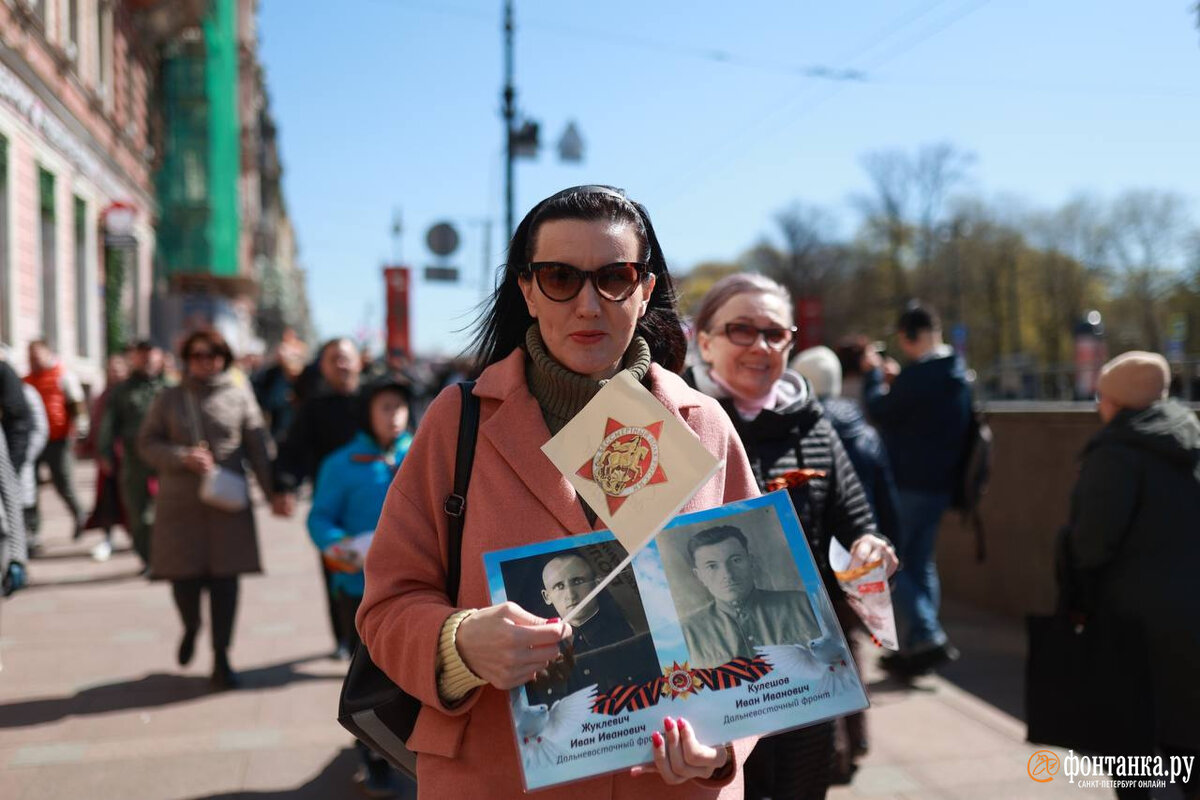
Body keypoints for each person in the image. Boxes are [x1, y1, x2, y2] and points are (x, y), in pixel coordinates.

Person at [357, 185, 761, 798]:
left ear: (646, 288)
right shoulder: (457, 422)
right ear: (526, 289)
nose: (588, 305)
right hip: (498, 777)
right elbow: (387, 607)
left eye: (615, 277)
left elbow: (756, 627)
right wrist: (460, 642)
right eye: (559, 278)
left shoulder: (703, 423)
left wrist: (722, 746)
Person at [685, 273, 897, 799]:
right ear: (704, 340)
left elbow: (858, 524)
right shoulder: (671, 421)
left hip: (804, 670)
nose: (760, 345)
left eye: (774, 333)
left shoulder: (814, 425)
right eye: (741, 330)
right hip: (709, 677)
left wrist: (873, 551)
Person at [1063, 351, 1199, 800]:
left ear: (1117, 402)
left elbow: (1090, 544)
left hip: (1132, 620)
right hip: (1188, 613)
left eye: (1100, 397)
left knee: (1131, 743)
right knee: (1187, 730)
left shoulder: (1115, 454)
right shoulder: (1189, 440)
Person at [138, 330, 276, 689]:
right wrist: (181, 457)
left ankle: (221, 658)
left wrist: (275, 491)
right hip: (180, 508)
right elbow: (147, 443)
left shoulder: (239, 395)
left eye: (213, 354)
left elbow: (259, 447)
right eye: (198, 354)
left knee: (225, 585)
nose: (206, 360)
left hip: (227, 508)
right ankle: (191, 626)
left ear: (224, 358)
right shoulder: (169, 397)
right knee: (183, 581)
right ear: (187, 358)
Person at [307, 377, 412, 797]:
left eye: (401, 407)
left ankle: (402, 748)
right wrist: (338, 547)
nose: (395, 416)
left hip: (417, 587)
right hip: (358, 588)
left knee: (411, 670)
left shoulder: (425, 449)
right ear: (367, 413)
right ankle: (372, 752)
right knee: (369, 675)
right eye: (386, 407)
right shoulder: (340, 463)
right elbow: (319, 518)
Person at [862, 302, 970, 676]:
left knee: (895, 563)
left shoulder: (920, 376)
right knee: (922, 564)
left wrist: (875, 376)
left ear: (910, 337)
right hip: (941, 485)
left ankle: (927, 636)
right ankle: (916, 649)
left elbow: (880, 410)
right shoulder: (956, 373)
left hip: (908, 483)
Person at [272, 336, 363, 658]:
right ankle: (342, 638)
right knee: (337, 571)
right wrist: (284, 486)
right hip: (333, 509)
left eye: (346, 358)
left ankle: (375, 635)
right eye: (333, 359)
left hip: (376, 506)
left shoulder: (376, 400)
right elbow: (293, 450)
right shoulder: (314, 408)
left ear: (359, 362)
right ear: (322, 367)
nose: (341, 365)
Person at [793, 345, 902, 547]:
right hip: (863, 546)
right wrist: (893, 546)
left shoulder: (792, 435)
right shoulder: (865, 433)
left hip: (814, 550)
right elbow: (886, 499)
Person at [525, 551, 661, 705]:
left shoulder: (632, 635)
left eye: (577, 581)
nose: (570, 595)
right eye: (559, 586)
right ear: (546, 596)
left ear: (596, 583)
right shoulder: (539, 653)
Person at [680, 525, 821, 668]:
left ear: (751, 561)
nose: (728, 575)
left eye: (736, 560)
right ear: (699, 576)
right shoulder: (687, 633)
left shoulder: (805, 604)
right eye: (712, 566)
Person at [99, 341, 167, 570]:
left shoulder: (171, 387)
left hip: (168, 456)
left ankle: (166, 555)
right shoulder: (123, 391)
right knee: (138, 511)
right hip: (134, 455)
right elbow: (109, 424)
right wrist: (105, 451)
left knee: (169, 508)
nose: (146, 359)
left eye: (150, 354)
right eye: (141, 355)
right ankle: (148, 557)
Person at [24, 340, 88, 542]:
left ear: (47, 353)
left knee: (63, 482)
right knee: (30, 485)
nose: (34, 360)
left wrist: (80, 429)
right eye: (31, 357)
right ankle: (33, 532)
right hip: (34, 441)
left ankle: (79, 513)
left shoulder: (62, 375)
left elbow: (76, 405)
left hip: (58, 439)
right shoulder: (26, 380)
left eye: (37, 356)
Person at [82, 353, 129, 561]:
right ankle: (108, 538)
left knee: (132, 500)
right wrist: (99, 451)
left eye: (119, 369)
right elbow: (98, 426)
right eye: (111, 369)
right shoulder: (104, 396)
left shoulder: (130, 393)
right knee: (108, 500)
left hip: (130, 457)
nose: (115, 373)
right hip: (108, 457)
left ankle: (140, 540)